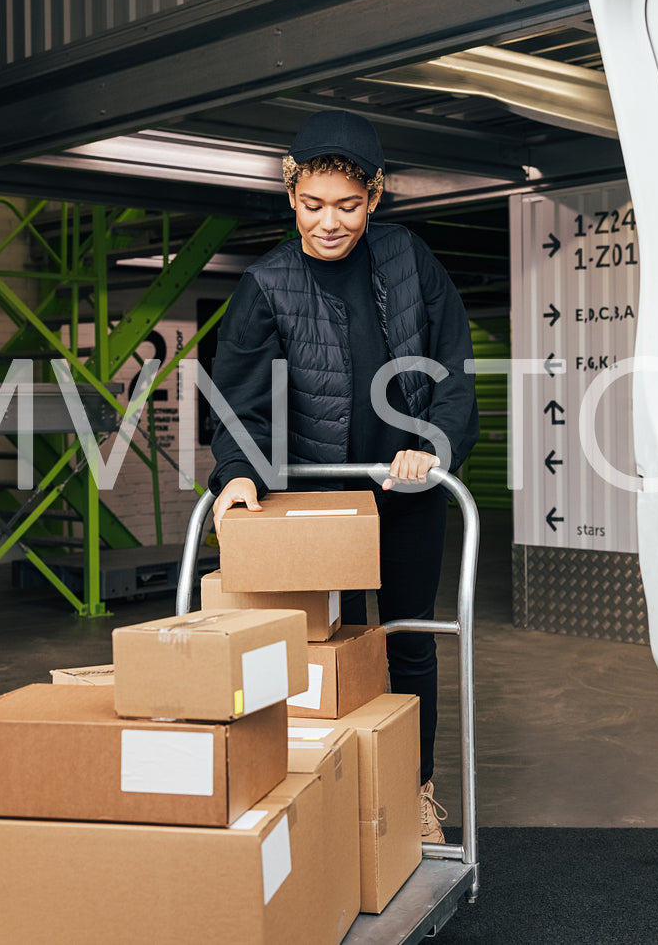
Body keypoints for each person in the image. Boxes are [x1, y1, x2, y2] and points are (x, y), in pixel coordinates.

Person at [206, 109, 478, 843]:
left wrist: (437, 446)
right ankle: (314, 796)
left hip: (406, 490)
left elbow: (454, 370)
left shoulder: (408, 257)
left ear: (376, 197)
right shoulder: (266, 284)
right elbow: (238, 401)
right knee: (312, 648)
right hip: (316, 500)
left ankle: (415, 790)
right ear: (290, 196)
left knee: (406, 638)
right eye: (313, 204)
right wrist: (235, 474)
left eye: (348, 206)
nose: (330, 222)